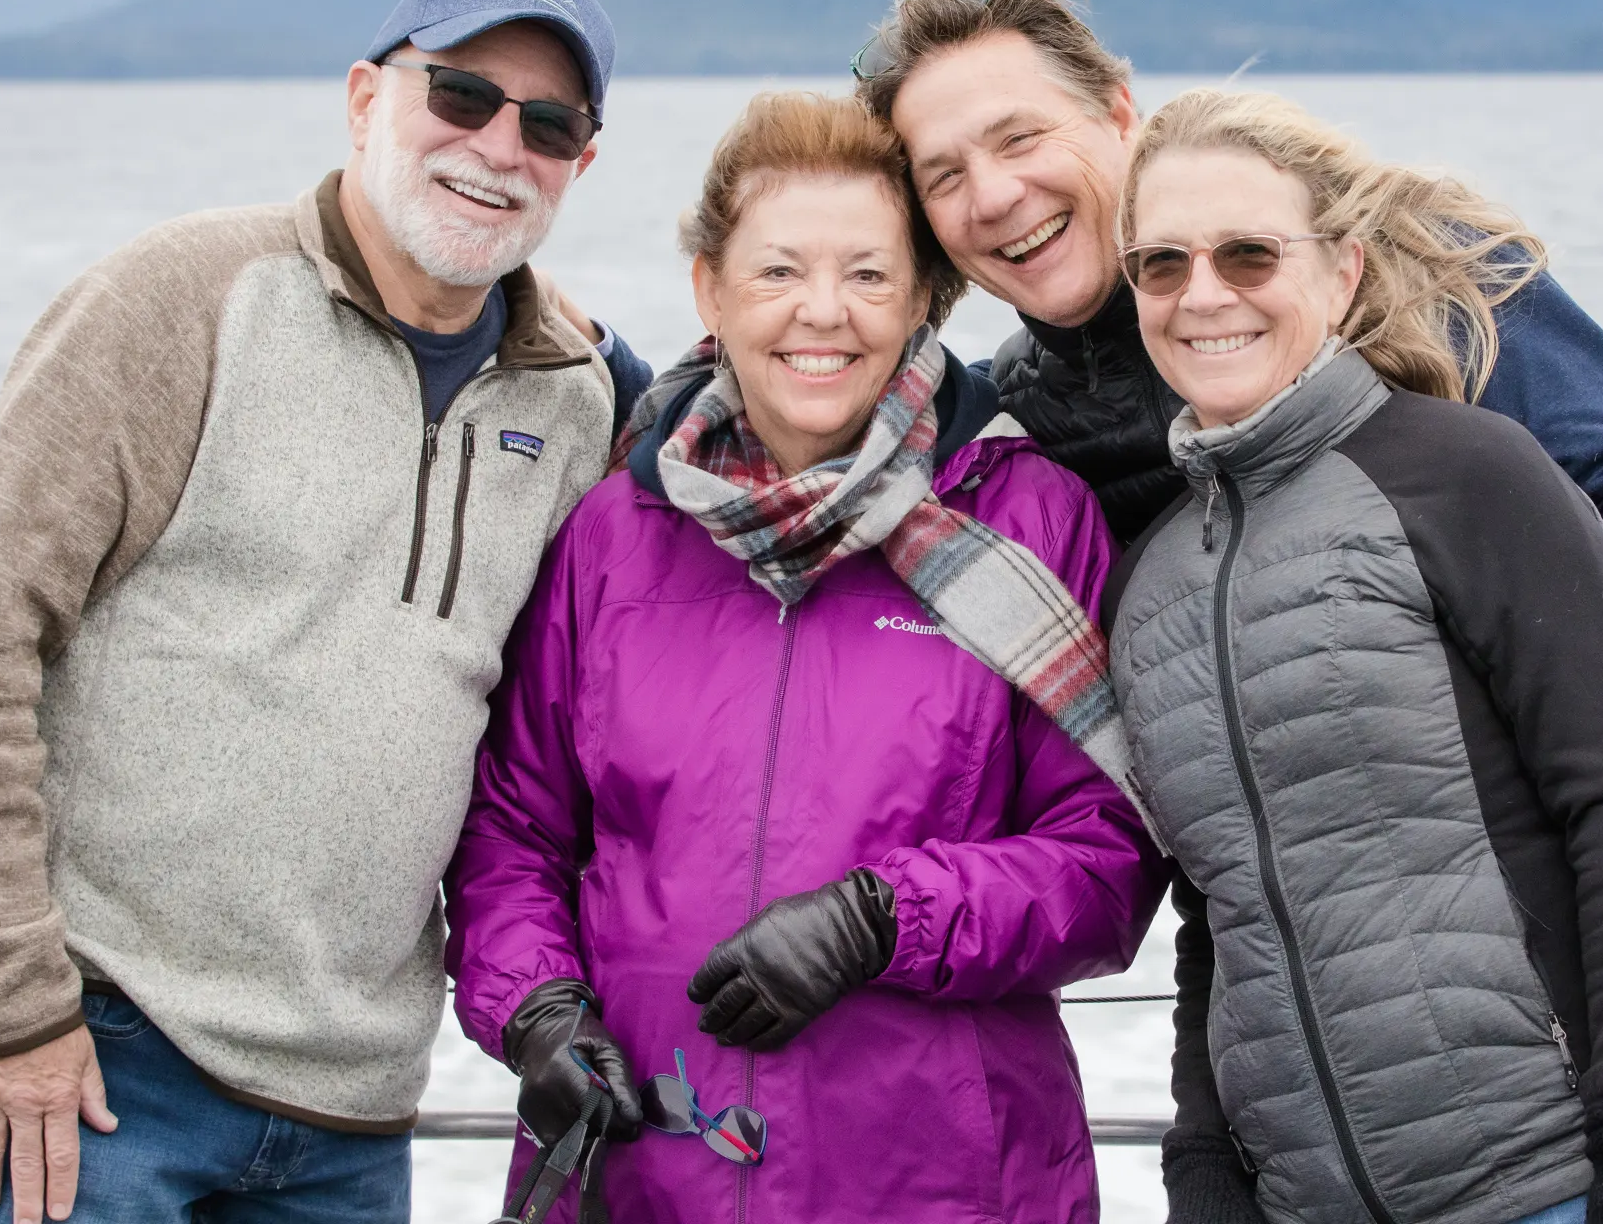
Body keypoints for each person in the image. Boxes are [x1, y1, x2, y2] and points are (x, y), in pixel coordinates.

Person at [856, 0, 1603, 1221]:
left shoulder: (1414, 262)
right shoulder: (1031, 430)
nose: (996, 193)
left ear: (1117, 110)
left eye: (1020, 137)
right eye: (944, 173)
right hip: (1411, 1053)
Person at [0, 0, 656, 1224]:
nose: (498, 146)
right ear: (364, 100)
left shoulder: (579, 401)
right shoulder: (181, 300)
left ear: (583, 162)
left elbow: (733, 454)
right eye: (460, 95)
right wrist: (8, 1007)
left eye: (549, 125)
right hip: (97, 1061)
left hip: (353, 1114)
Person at [443, 90, 1157, 1224]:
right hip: (644, 1174)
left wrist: (883, 918)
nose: (821, 312)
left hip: (945, 1188)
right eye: (777, 271)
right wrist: (537, 1012)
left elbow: (1107, 862)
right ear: (710, 291)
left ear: (921, 299)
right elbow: (515, 831)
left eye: (868, 275)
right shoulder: (614, 533)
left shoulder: (1028, 519)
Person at [1105, 87, 1603, 1224]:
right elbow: (1221, 907)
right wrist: (1203, 1163)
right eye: (1163, 264)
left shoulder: (1470, 474)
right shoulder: (1150, 576)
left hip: (1570, 1175)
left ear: (1341, 272)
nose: (1203, 293)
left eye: (1249, 253)